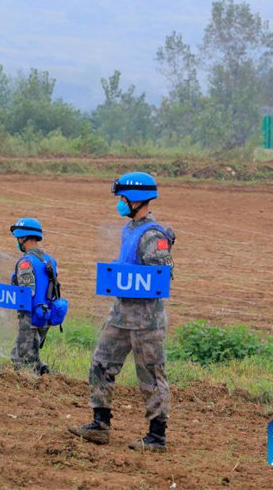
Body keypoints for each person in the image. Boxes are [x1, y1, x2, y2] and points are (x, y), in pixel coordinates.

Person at [69, 171, 175, 452]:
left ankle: (157, 436)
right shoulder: (129, 229)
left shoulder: (153, 235)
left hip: (145, 321)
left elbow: (163, 277)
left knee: (151, 375)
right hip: (120, 315)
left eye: (123, 198)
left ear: (137, 200)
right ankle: (100, 424)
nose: (119, 203)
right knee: (100, 364)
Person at [9, 218, 59, 376]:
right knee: (31, 352)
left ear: (23, 238)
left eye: (18, 238)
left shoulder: (26, 262)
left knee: (22, 357)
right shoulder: (50, 260)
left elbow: (26, 292)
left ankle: (33, 386)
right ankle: (43, 376)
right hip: (46, 315)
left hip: (30, 316)